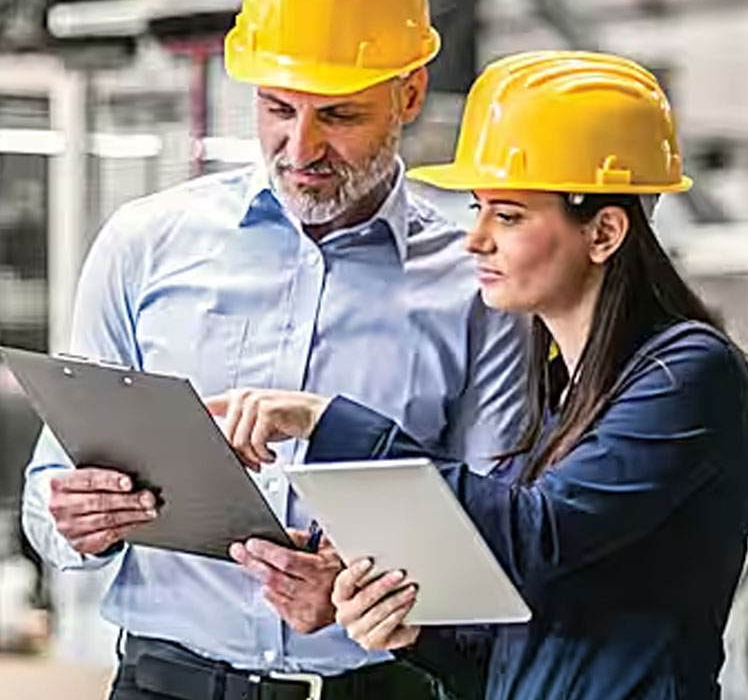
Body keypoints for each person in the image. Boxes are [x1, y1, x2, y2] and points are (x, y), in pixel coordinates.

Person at [21, 0, 527, 700]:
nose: (300, 149)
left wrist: (366, 585)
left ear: (411, 94)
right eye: (277, 109)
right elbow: (48, 494)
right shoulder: (146, 244)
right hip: (167, 682)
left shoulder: (478, 280)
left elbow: (498, 530)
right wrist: (76, 524)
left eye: (340, 116)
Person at [210, 51, 748, 700]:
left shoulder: (688, 375)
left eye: (511, 216)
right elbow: (519, 648)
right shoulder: (565, 398)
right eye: (479, 209)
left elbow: (535, 533)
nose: (476, 240)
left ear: (604, 231)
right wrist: (412, 628)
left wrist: (329, 422)